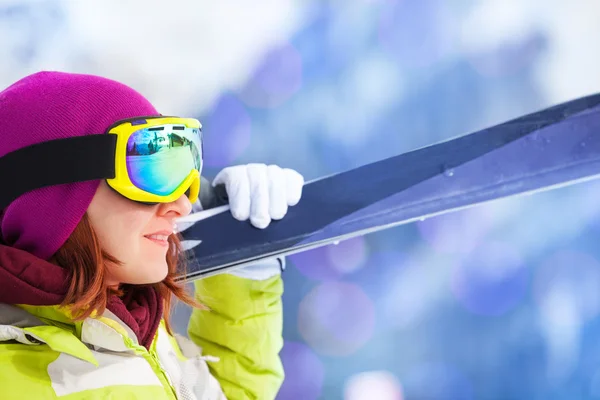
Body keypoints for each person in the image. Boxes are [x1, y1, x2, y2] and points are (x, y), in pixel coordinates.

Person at [0, 71, 304, 399]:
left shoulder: (126, 328)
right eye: (149, 172)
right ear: (50, 201)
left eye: (184, 171)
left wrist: (243, 273)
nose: (181, 206)